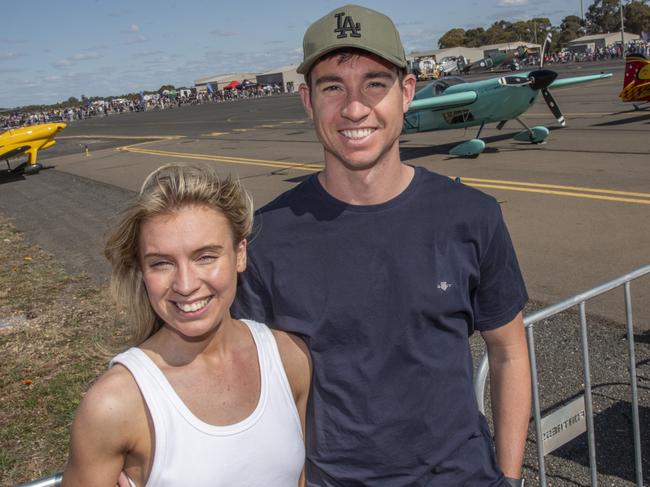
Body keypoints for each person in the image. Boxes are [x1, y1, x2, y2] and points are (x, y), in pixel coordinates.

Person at [232, 4, 531, 486]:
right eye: (333, 87)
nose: (354, 108)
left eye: (375, 83)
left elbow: (510, 352)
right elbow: (243, 385)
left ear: (406, 92)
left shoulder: (472, 216)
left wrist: (510, 477)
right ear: (308, 101)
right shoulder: (266, 240)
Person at [62, 163, 311, 487]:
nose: (185, 284)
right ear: (141, 271)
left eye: (205, 256)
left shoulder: (290, 359)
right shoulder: (115, 405)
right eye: (161, 263)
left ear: (239, 254)